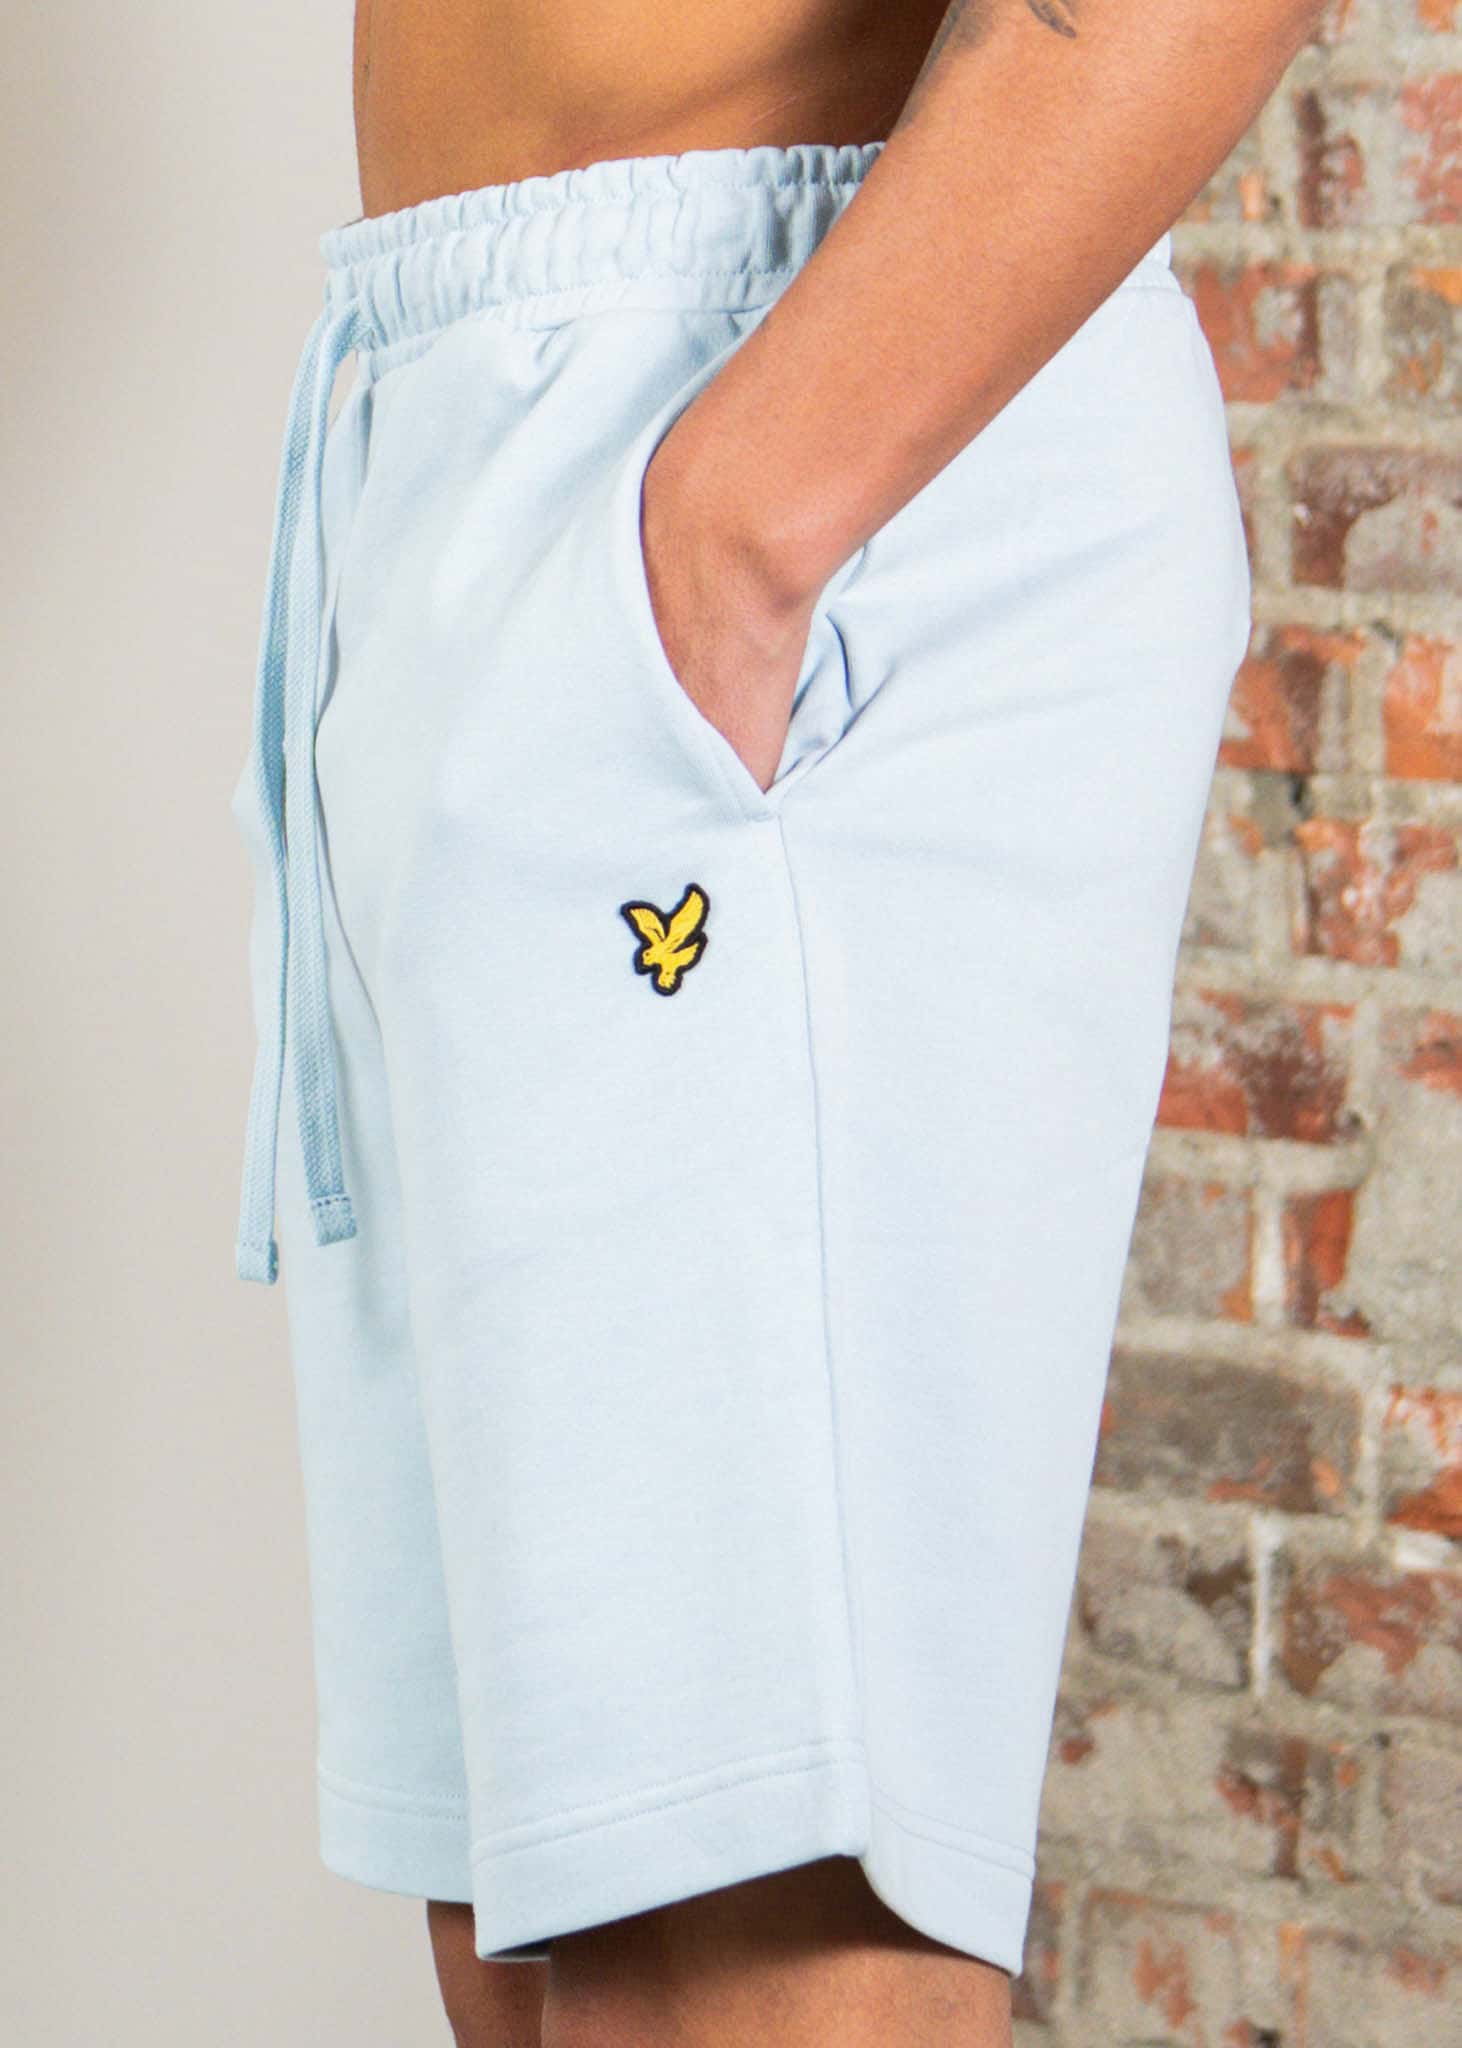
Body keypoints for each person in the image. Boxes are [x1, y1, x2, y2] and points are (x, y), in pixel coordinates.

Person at [231, 2, 1325, 2042]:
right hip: (470, 398)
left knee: (738, 1901)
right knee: (541, 1929)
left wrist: (726, 533)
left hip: (774, 418)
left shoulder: (724, 529)